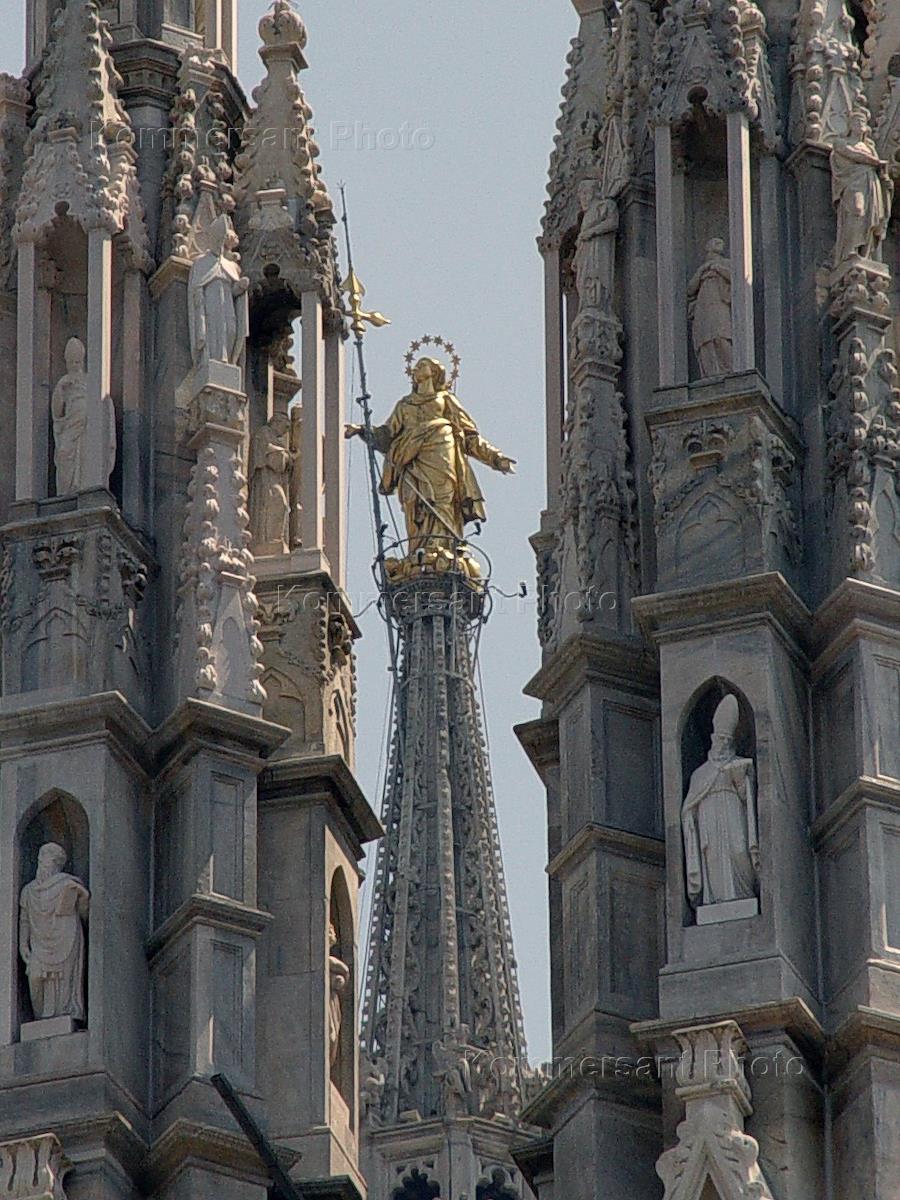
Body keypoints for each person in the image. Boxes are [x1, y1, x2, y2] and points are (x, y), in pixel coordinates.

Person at [346, 357, 515, 572]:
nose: (416, 368)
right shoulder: (404, 405)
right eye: (416, 365)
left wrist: (495, 458)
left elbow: (470, 438)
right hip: (411, 461)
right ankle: (418, 551)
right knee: (414, 503)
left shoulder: (445, 400)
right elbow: (386, 435)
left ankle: (443, 548)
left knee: (443, 500)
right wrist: (362, 430)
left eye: (422, 364)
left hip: (442, 456)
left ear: (435, 372)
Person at [682, 695, 760, 908]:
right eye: (721, 739)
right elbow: (689, 806)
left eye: (728, 740)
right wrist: (691, 821)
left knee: (739, 850)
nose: (724, 743)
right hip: (710, 815)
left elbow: (748, 800)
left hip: (733, 810)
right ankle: (716, 900)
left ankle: (743, 895)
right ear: (713, 739)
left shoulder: (739, 763)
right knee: (714, 857)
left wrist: (740, 780)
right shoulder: (700, 773)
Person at [19, 843, 90, 1022]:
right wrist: (23, 945)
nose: (42, 864)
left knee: (65, 980)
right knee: (35, 977)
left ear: (57, 864)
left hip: (67, 936)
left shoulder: (68, 883)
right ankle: (40, 1018)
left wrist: (83, 897)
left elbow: (85, 916)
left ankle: (64, 1014)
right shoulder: (28, 891)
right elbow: (24, 920)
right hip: (39, 942)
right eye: (41, 859)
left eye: (47, 860)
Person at [831, 110, 894, 267]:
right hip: (852, 183)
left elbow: (881, 171)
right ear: (850, 125)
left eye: (862, 122)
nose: (859, 124)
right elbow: (853, 154)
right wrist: (876, 162)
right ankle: (849, 251)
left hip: (870, 182)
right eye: (856, 121)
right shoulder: (841, 142)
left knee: (872, 217)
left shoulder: (869, 147)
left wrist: (885, 179)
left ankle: (865, 255)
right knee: (857, 209)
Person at [687, 239, 734, 379]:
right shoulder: (702, 269)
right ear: (707, 246)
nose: (720, 244)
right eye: (715, 242)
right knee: (705, 340)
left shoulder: (725, 263)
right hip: (703, 305)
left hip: (719, 302)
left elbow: (735, 277)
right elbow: (690, 290)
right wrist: (702, 270)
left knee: (721, 336)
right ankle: (709, 374)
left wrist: (717, 268)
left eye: (721, 242)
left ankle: (728, 370)